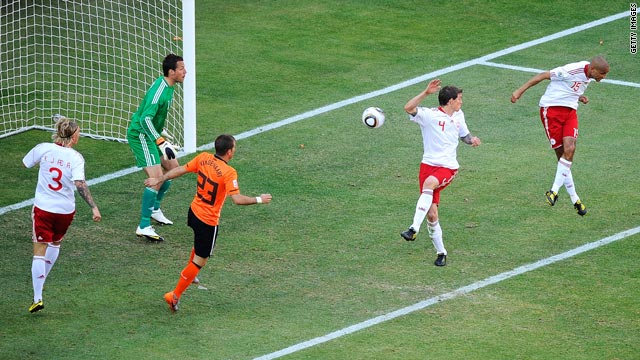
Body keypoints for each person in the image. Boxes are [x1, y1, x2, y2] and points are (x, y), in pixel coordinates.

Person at [144, 134, 273, 312]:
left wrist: (158, 179)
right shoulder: (229, 172)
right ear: (229, 152)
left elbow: (180, 169)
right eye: (234, 148)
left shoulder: (204, 158)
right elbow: (237, 199)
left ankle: (192, 276)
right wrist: (259, 199)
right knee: (199, 262)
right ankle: (174, 296)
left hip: (194, 212)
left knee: (198, 247)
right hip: (208, 221)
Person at [510, 56, 609, 216]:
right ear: (593, 70)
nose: (603, 77)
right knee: (563, 158)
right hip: (551, 111)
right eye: (602, 74)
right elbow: (543, 75)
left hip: (570, 111)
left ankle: (554, 191)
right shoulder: (571, 70)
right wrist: (519, 91)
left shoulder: (589, 75)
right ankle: (575, 199)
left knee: (569, 151)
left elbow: (571, 88)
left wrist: (579, 96)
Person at [22, 116, 102, 313]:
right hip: (65, 211)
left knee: (39, 252)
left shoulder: (43, 148)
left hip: (43, 208)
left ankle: (37, 297)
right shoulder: (76, 158)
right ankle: (42, 280)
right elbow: (80, 184)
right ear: (73, 137)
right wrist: (93, 206)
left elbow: (26, 163)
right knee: (55, 243)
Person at [400, 79, 481, 267]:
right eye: (459, 99)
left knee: (429, 184)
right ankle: (441, 252)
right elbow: (408, 107)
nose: (461, 102)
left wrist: (473, 141)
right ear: (450, 101)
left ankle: (413, 228)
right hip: (427, 166)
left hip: (448, 167)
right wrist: (426, 93)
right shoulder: (429, 115)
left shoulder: (459, 116)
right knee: (432, 215)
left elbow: (464, 136)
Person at [127, 53, 186, 241]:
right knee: (156, 178)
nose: (185, 72)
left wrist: (162, 132)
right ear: (171, 72)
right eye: (181, 69)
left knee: (173, 169)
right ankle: (144, 225)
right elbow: (145, 119)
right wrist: (160, 141)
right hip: (141, 136)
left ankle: (154, 209)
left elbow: (153, 116)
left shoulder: (169, 86)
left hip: (153, 134)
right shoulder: (160, 91)